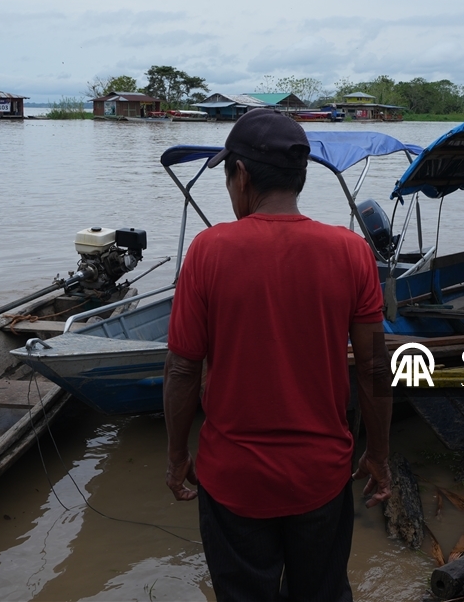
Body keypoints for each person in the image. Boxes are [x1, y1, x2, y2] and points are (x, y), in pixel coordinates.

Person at [163, 109, 392, 601]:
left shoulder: (207, 251)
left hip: (233, 479)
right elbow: (374, 367)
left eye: (227, 177)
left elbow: (183, 368)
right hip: (321, 476)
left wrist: (177, 454)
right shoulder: (351, 251)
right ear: (300, 177)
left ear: (240, 175)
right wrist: (378, 455)